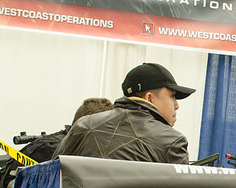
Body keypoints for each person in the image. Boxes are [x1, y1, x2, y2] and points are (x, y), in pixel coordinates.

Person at [55, 62, 196, 163]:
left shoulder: (84, 125)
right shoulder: (172, 141)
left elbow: (52, 175)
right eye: (172, 96)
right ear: (149, 98)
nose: (176, 105)